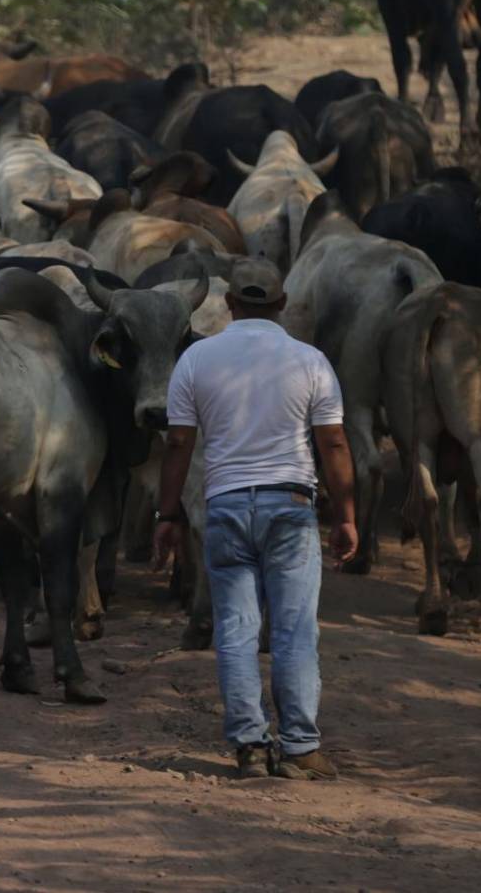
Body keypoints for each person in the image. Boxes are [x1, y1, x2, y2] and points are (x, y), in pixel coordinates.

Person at [153, 257, 358, 780]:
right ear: (283, 304)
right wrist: (347, 515)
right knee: (293, 631)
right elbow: (332, 440)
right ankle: (299, 748)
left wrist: (167, 512)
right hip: (289, 506)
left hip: (224, 507)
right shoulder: (310, 360)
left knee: (237, 630)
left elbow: (179, 441)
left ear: (228, 303)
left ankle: (249, 746)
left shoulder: (197, 359)